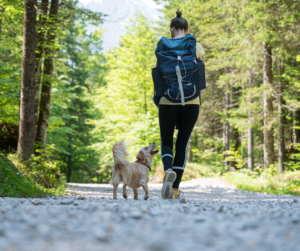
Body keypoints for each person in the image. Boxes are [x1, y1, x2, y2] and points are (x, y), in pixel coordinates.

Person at [157, 10, 205, 200]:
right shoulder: (196, 45)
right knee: (182, 144)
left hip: (167, 99)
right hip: (191, 100)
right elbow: (200, 72)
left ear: (171, 29)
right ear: (187, 29)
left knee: (167, 141)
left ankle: (168, 169)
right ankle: (175, 189)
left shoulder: (163, 45)